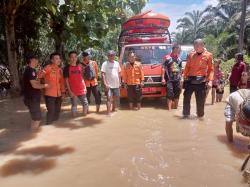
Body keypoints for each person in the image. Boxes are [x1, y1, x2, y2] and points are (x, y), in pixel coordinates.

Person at [183, 39, 214, 118]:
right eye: (194, 45)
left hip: (201, 81)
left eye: (197, 45)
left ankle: (200, 117)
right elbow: (187, 67)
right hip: (189, 79)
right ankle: (186, 115)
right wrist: (183, 78)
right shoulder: (190, 54)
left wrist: (210, 81)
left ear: (202, 46)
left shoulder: (208, 55)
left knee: (200, 101)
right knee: (186, 98)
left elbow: (211, 69)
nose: (195, 47)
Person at [23, 54, 49, 130]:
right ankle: (31, 134)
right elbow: (34, 85)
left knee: (35, 118)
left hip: (32, 98)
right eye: (36, 60)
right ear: (32, 60)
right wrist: (46, 85)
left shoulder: (32, 70)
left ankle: (31, 131)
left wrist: (39, 76)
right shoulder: (30, 70)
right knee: (37, 118)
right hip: (31, 98)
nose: (37, 61)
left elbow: (35, 82)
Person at [39, 52, 65, 125]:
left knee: (57, 111)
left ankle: (54, 129)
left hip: (58, 94)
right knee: (51, 111)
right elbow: (39, 77)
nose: (59, 60)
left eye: (59, 58)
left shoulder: (60, 70)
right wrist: (41, 90)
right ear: (52, 60)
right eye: (56, 58)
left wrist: (63, 93)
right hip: (49, 94)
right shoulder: (48, 68)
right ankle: (48, 125)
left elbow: (62, 82)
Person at [63, 51, 88, 117]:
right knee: (74, 105)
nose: (74, 58)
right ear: (69, 58)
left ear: (77, 58)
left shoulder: (80, 66)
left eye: (75, 57)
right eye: (72, 57)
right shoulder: (66, 68)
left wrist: (85, 87)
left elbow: (82, 77)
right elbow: (66, 81)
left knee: (85, 103)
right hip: (73, 90)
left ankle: (84, 118)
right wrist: (69, 91)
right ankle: (74, 118)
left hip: (82, 89)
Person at [161, 44, 182, 110]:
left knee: (177, 93)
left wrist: (181, 78)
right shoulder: (167, 57)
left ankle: (175, 108)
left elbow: (180, 69)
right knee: (169, 94)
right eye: (178, 49)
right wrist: (163, 78)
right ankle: (169, 110)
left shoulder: (179, 59)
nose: (179, 50)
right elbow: (163, 68)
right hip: (169, 79)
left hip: (177, 79)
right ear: (174, 49)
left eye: (179, 49)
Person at [101, 50, 121, 115]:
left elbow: (119, 73)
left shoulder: (117, 63)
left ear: (114, 56)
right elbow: (103, 74)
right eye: (109, 55)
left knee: (115, 98)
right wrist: (105, 84)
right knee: (109, 99)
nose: (111, 56)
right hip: (108, 85)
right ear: (107, 56)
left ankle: (113, 109)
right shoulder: (105, 64)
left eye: (112, 55)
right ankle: (108, 112)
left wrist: (120, 82)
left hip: (116, 85)